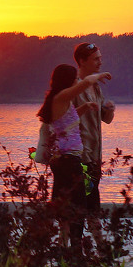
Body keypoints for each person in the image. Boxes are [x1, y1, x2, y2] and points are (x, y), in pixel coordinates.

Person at [37, 63, 112, 243]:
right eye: (74, 79)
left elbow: (66, 120)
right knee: (78, 208)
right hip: (68, 162)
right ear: (68, 80)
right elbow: (85, 83)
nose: (76, 81)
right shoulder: (62, 96)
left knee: (65, 207)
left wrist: (85, 107)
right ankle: (75, 252)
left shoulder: (60, 100)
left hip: (64, 160)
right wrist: (98, 76)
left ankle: (65, 249)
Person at [72, 42, 115, 239]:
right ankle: (87, 251)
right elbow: (64, 118)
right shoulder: (72, 87)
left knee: (91, 205)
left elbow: (105, 119)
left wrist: (110, 109)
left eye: (100, 58)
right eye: (96, 59)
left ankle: (96, 252)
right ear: (82, 61)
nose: (100, 62)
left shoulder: (95, 87)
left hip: (95, 155)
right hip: (80, 156)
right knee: (83, 207)